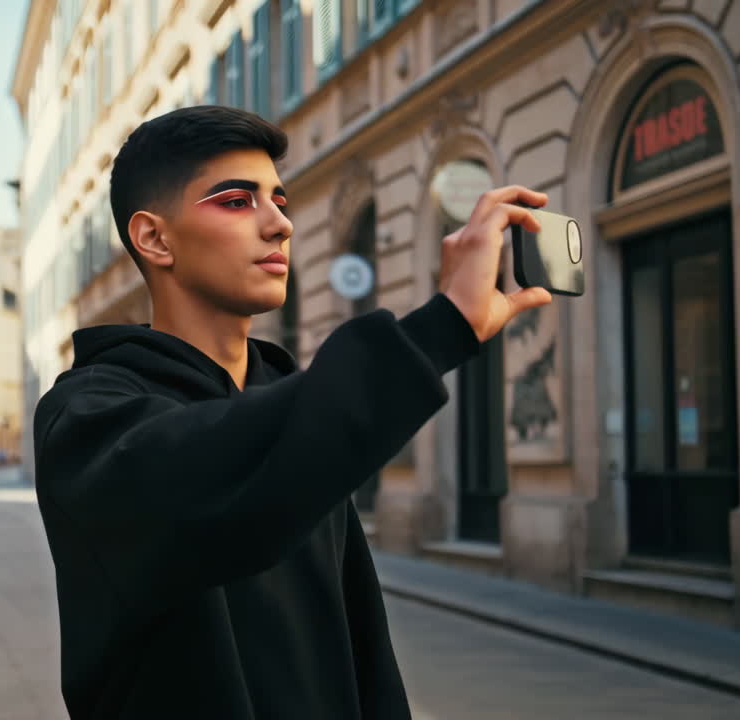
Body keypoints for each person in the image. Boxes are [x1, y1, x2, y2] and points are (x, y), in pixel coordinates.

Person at [31, 106, 552, 719]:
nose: (279, 225)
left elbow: (362, 645)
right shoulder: (87, 414)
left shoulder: (287, 400)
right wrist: (439, 329)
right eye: (235, 201)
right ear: (154, 237)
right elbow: (213, 472)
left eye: (279, 201)